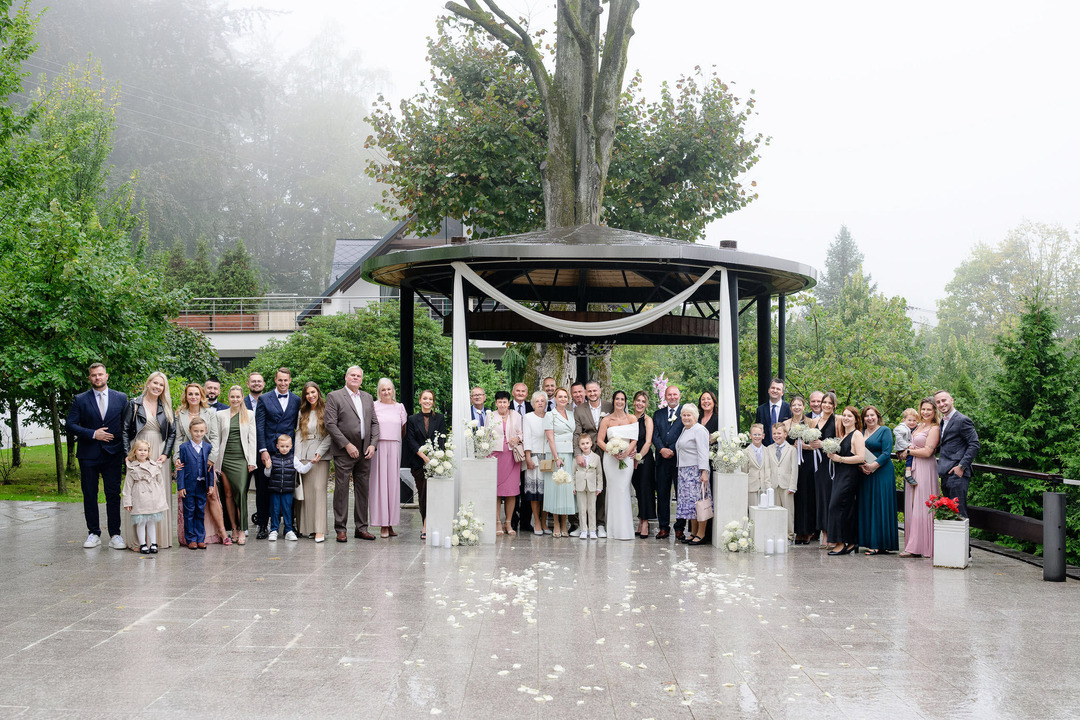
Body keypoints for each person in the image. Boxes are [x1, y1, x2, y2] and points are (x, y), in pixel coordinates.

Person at [67, 363, 128, 549]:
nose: (97, 378)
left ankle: (115, 534)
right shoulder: (80, 399)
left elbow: (126, 425)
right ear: (89, 378)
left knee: (113, 494)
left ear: (107, 376)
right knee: (89, 494)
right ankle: (93, 533)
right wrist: (93, 434)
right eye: (94, 375)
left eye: (100, 374)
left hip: (113, 453)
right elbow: (70, 425)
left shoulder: (121, 398)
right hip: (88, 454)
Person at [325, 366, 380, 542]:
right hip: (344, 451)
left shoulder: (367, 397)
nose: (355, 378)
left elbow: (374, 423)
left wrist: (373, 445)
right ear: (346, 377)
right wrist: (347, 445)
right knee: (341, 490)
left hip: (365, 451)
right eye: (352, 375)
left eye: (358, 376)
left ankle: (361, 528)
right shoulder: (334, 396)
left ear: (361, 379)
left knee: (363, 490)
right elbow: (330, 424)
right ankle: (340, 529)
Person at [122, 371, 175, 551]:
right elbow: (125, 429)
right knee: (137, 491)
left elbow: (172, 432)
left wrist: (166, 454)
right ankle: (139, 541)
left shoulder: (166, 406)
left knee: (158, 491)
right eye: (155, 383)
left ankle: (158, 539)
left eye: (161, 384)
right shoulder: (134, 404)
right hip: (139, 449)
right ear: (148, 383)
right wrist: (127, 454)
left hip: (159, 452)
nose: (157, 387)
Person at [175, 383, 228, 546]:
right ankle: (190, 538)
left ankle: (221, 532)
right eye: (190, 394)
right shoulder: (180, 414)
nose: (193, 397)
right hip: (188, 458)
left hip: (207, 457)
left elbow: (215, 437)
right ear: (186, 396)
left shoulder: (209, 413)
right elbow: (178, 438)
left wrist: (212, 457)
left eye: (197, 394)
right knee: (190, 503)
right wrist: (176, 458)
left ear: (201, 396)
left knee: (211, 495)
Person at [255, 368, 301, 539]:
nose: (283, 383)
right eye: (280, 380)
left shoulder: (296, 400)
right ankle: (263, 524)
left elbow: (297, 425)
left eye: (285, 380)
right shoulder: (264, 399)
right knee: (264, 489)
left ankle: (289, 525)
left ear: (290, 381)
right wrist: (263, 450)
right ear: (275, 380)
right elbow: (259, 426)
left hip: (288, 451)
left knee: (288, 488)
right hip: (269, 450)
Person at [215, 385, 257, 545]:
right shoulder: (220, 415)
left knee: (240, 492)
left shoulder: (249, 414)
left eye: (238, 397)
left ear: (242, 398)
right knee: (227, 494)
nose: (235, 399)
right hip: (225, 458)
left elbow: (252, 439)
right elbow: (217, 439)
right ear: (228, 398)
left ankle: (242, 529)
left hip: (241, 459)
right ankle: (233, 528)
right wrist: (216, 462)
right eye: (232, 397)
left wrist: (252, 461)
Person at [403, 389, 446, 541]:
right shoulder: (412, 419)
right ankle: (425, 523)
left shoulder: (439, 418)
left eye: (430, 399)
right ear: (420, 400)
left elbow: (442, 438)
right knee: (423, 494)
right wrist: (424, 457)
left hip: (435, 463)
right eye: (425, 398)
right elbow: (410, 440)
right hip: (418, 463)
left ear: (433, 402)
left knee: (432, 494)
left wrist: (434, 458)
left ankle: (428, 526)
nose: (427, 401)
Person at [899, 398, 940, 558]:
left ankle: (924, 546)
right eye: (923, 409)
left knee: (922, 504)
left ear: (934, 411)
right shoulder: (919, 425)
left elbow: (928, 452)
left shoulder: (935, 428)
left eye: (929, 409)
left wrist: (909, 451)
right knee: (912, 504)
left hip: (925, 467)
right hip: (914, 466)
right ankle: (913, 544)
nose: (925, 412)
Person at [574, 380, 613, 537]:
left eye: (594, 390)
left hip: (607, 451)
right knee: (585, 487)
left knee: (601, 487)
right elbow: (577, 433)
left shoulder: (609, 406)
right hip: (587, 451)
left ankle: (600, 524)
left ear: (600, 390)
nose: (592, 393)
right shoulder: (579, 410)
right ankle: (584, 525)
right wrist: (578, 453)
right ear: (585, 393)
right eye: (589, 391)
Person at [858, 406, 899, 555]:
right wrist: (862, 467)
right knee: (868, 504)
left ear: (877, 416)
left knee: (879, 504)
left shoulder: (884, 430)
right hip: (865, 473)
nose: (870, 418)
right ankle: (868, 540)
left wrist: (872, 466)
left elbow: (887, 452)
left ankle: (879, 543)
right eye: (866, 416)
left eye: (872, 415)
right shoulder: (860, 432)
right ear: (863, 419)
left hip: (882, 471)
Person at [596, 390, 636, 541]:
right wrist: (611, 451)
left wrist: (626, 452)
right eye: (617, 399)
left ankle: (625, 530)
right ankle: (612, 530)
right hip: (610, 459)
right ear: (613, 401)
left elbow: (634, 439)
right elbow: (600, 441)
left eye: (622, 399)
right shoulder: (606, 420)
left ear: (625, 401)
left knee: (623, 489)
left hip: (627, 459)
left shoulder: (631, 418)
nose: (620, 402)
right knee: (612, 490)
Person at [825, 405, 865, 556]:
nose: (846, 418)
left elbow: (860, 457)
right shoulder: (843, 435)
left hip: (849, 476)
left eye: (849, 416)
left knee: (835, 507)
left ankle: (840, 543)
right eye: (844, 415)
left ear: (856, 419)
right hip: (840, 475)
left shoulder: (857, 435)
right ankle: (852, 541)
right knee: (846, 508)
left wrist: (840, 458)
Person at [371, 378, 408, 539]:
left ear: (393, 390)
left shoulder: (400, 407)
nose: (386, 392)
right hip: (379, 446)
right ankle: (383, 525)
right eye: (383, 389)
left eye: (389, 389)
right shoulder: (374, 406)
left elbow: (403, 429)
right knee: (380, 484)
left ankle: (391, 523)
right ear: (379, 392)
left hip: (395, 446)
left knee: (393, 485)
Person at [295, 381, 332, 543]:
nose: (310, 396)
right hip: (304, 454)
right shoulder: (301, 412)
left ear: (318, 392)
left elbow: (331, 434)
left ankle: (319, 529)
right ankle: (308, 528)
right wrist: (296, 458)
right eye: (307, 393)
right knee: (306, 493)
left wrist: (320, 451)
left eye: (313, 392)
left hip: (321, 455)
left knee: (319, 490)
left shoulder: (327, 410)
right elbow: (298, 434)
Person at [935, 390, 980, 518]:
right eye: (938, 402)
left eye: (944, 400)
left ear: (951, 400)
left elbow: (974, 444)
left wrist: (961, 467)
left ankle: (964, 534)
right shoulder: (943, 421)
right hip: (945, 473)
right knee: (949, 514)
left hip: (957, 474)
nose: (941, 404)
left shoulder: (962, 420)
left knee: (959, 514)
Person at [122, 440, 168, 555]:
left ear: (148, 452)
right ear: (135, 452)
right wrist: (127, 502)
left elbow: (160, 483)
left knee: (151, 522)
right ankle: (142, 544)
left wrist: (161, 498)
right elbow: (127, 486)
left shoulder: (154, 466)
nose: (142, 452)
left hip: (153, 497)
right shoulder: (132, 467)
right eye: (140, 450)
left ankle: (153, 543)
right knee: (141, 522)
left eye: (145, 450)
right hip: (139, 498)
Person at [263, 433, 311, 542]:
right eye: (282, 446)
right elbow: (267, 474)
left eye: (287, 446)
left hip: (288, 490)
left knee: (287, 510)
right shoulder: (273, 458)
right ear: (277, 446)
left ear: (291, 446)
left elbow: (302, 469)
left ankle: (289, 530)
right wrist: (267, 467)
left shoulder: (293, 459)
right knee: (274, 510)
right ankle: (274, 530)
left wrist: (311, 463)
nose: (284, 449)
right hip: (274, 490)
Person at [674, 403, 711, 545]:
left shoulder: (699, 430)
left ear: (695, 416)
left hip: (695, 472)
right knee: (690, 505)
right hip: (684, 472)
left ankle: (701, 534)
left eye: (689, 415)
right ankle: (693, 532)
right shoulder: (685, 429)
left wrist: (704, 471)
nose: (686, 417)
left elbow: (703, 452)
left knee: (698, 503)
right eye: (683, 415)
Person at [652, 384, 684, 540]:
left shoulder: (685, 412)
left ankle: (680, 528)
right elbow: (654, 434)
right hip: (661, 460)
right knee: (662, 494)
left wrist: (672, 450)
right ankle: (663, 527)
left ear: (679, 396)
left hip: (679, 460)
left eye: (675, 394)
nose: (672, 397)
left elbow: (685, 433)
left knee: (681, 494)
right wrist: (661, 449)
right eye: (669, 395)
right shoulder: (658, 414)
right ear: (665, 396)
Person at [543, 387, 576, 537]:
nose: (563, 399)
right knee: (556, 489)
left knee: (567, 490)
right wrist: (556, 457)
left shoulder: (571, 414)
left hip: (569, 453)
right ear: (555, 399)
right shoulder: (550, 415)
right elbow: (550, 438)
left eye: (565, 397)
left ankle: (564, 524)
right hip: (556, 454)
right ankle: (556, 523)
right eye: (560, 396)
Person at [489, 390, 524, 535]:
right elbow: (486, 435)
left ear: (509, 403)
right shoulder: (490, 415)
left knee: (511, 491)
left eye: (505, 402)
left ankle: (508, 523)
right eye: (499, 402)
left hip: (512, 456)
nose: (502, 404)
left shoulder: (516, 415)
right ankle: (497, 522)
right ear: (496, 403)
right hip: (495, 456)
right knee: (496, 491)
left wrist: (517, 438)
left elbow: (522, 433)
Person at [176, 417, 213, 550]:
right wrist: (181, 486)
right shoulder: (184, 447)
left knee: (200, 511)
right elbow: (181, 468)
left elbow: (210, 467)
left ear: (205, 431)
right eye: (196, 431)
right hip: (188, 485)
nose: (198, 434)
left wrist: (211, 485)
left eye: (201, 431)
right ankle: (191, 539)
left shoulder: (208, 447)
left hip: (202, 485)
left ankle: (200, 538)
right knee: (189, 512)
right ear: (190, 431)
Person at [786, 395, 817, 545]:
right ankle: (797, 531)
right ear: (790, 408)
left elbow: (816, 445)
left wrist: (804, 446)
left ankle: (808, 531)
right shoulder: (786, 423)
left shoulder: (811, 422)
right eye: (794, 405)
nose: (797, 407)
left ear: (804, 407)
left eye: (799, 405)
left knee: (807, 495)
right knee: (796, 496)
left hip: (807, 462)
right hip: (792, 462)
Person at [807, 391, 837, 548]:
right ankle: (824, 533)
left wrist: (823, 444)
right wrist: (812, 444)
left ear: (834, 405)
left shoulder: (838, 420)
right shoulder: (814, 421)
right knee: (821, 499)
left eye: (829, 403)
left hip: (832, 464)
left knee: (832, 499)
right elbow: (811, 442)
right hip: (818, 464)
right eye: (824, 402)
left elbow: (841, 441)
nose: (826, 405)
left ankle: (833, 533)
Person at [522, 391, 549, 535]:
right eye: (537, 401)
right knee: (534, 492)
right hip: (533, 457)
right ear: (533, 403)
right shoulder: (528, 417)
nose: (540, 403)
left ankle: (544, 521)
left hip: (548, 457)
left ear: (546, 403)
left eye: (542, 401)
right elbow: (527, 437)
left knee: (546, 492)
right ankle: (536, 521)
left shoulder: (550, 416)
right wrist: (528, 457)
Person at [243, 371, 266, 537]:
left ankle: (262, 523)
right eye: (253, 381)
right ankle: (241, 524)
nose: (256, 383)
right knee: (241, 489)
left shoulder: (269, 401)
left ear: (263, 384)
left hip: (263, 451)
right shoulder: (240, 402)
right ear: (248, 384)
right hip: (244, 452)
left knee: (263, 489)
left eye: (259, 381)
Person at [630, 391, 655, 539]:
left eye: (643, 401)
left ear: (646, 404)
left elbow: (648, 442)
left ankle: (645, 522)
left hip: (644, 459)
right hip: (630, 458)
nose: (640, 404)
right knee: (638, 490)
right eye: (638, 400)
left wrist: (638, 458)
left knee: (645, 489)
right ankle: (640, 520)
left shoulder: (647, 420)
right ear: (634, 402)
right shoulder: (629, 418)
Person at [767, 423, 798, 541]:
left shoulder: (792, 450)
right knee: (774, 511)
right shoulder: (769, 449)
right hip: (773, 485)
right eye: (774, 433)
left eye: (779, 433)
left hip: (787, 485)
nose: (776, 436)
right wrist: (768, 485)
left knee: (788, 512)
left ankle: (789, 536)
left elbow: (794, 469)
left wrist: (792, 486)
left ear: (785, 434)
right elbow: (767, 468)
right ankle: (776, 534)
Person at [510, 382, 533, 534]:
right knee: (512, 486)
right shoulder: (507, 406)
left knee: (527, 486)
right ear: (513, 392)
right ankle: (512, 520)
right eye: (517, 391)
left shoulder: (532, 407)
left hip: (529, 451)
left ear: (526, 393)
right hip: (512, 451)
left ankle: (525, 521)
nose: (520, 393)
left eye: (523, 391)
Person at [573, 434, 602, 539]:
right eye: (582, 444)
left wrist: (599, 487)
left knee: (592, 509)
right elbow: (573, 473)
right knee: (582, 509)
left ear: (591, 443)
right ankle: (583, 530)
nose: (585, 445)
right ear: (579, 446)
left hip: (592, 486)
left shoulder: (596, 457)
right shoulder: (576, 458)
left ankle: (592, 530)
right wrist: (573, 487)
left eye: (587, 443)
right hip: (580, 486)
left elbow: (599, 473)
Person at [755, 377, 792, 446]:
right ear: (769, 390)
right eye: (773, 388)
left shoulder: (789, 408)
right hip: (766, 448)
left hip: (785, 448)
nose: (775, 390)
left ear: (782, 393)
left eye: (778, 389)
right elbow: (757, 430)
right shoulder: (760, 409)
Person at [743, 423, 768, 509]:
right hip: (752, 487)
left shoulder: (767, 451)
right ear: (750, 436)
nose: (757, 437)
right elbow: (744, 471)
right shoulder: (745, 452)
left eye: (759, 434)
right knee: (753, 511)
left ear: (763, 436)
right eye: (755, 434)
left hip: (765, 487)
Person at [894, 408, 919, 484]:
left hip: (909, 447)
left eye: (914, 420)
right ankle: (908, 474)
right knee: (910, 455)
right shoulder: (901, 428)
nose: (912, 422)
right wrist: (908, 445)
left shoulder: (915, 428)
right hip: (902, 447)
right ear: (904, 420)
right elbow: (900, 440)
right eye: (909, 420)